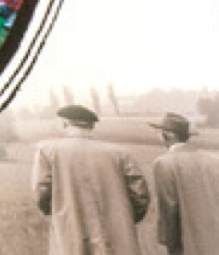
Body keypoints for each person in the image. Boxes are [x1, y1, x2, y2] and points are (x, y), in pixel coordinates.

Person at [32, 104, 150, 254]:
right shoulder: (120, 153)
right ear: (91, 126)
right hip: (116, 235)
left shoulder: (47, 150)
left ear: (65, 123)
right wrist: (124, 219)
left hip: (69, 229)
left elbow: (41, 192)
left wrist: (60, 213)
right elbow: (140, 195)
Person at [150, 112, 219, 255]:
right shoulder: (217, 160)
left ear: (168, 136)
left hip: (193, 247)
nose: (158, 137)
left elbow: (170, 210)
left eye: (160, 133)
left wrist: (173, 248)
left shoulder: (163, 164)